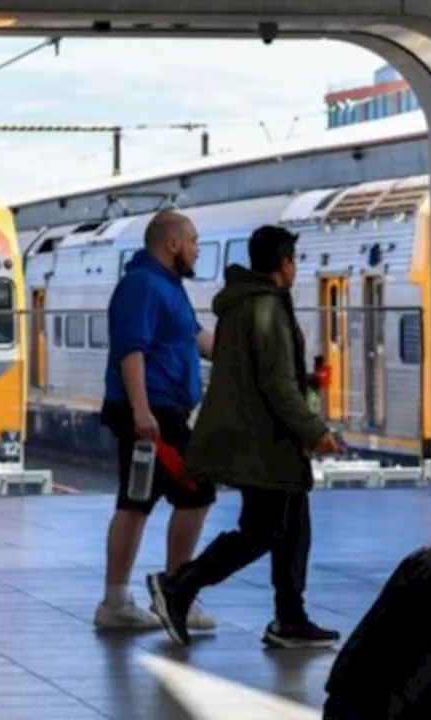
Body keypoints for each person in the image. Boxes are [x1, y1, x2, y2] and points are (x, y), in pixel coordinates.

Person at [145, 224, 344, 649]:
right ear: (283, 264)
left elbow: (258, 373)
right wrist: (316, 431)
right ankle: (179, 587)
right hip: (262, 442)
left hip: (259, 436)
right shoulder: (267, 307)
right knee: (262, 530)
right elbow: (275, 385)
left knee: (292, 528)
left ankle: (290, 620)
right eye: (294, 260)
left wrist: (305, 378)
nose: (296, 268)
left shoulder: (244, 303)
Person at [95, 210, 218, 632]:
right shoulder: (143, 286)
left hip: (156, 411)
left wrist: (245, 353)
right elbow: (132, 351)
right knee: (196, 493)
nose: (197, 249)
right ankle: (176, 592)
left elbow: (196, 338)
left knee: (135, 504)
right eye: (194, 242)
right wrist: (142, 412)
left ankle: (116, 602)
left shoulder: (167, 286)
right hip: (153, 413)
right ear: (173, 244)